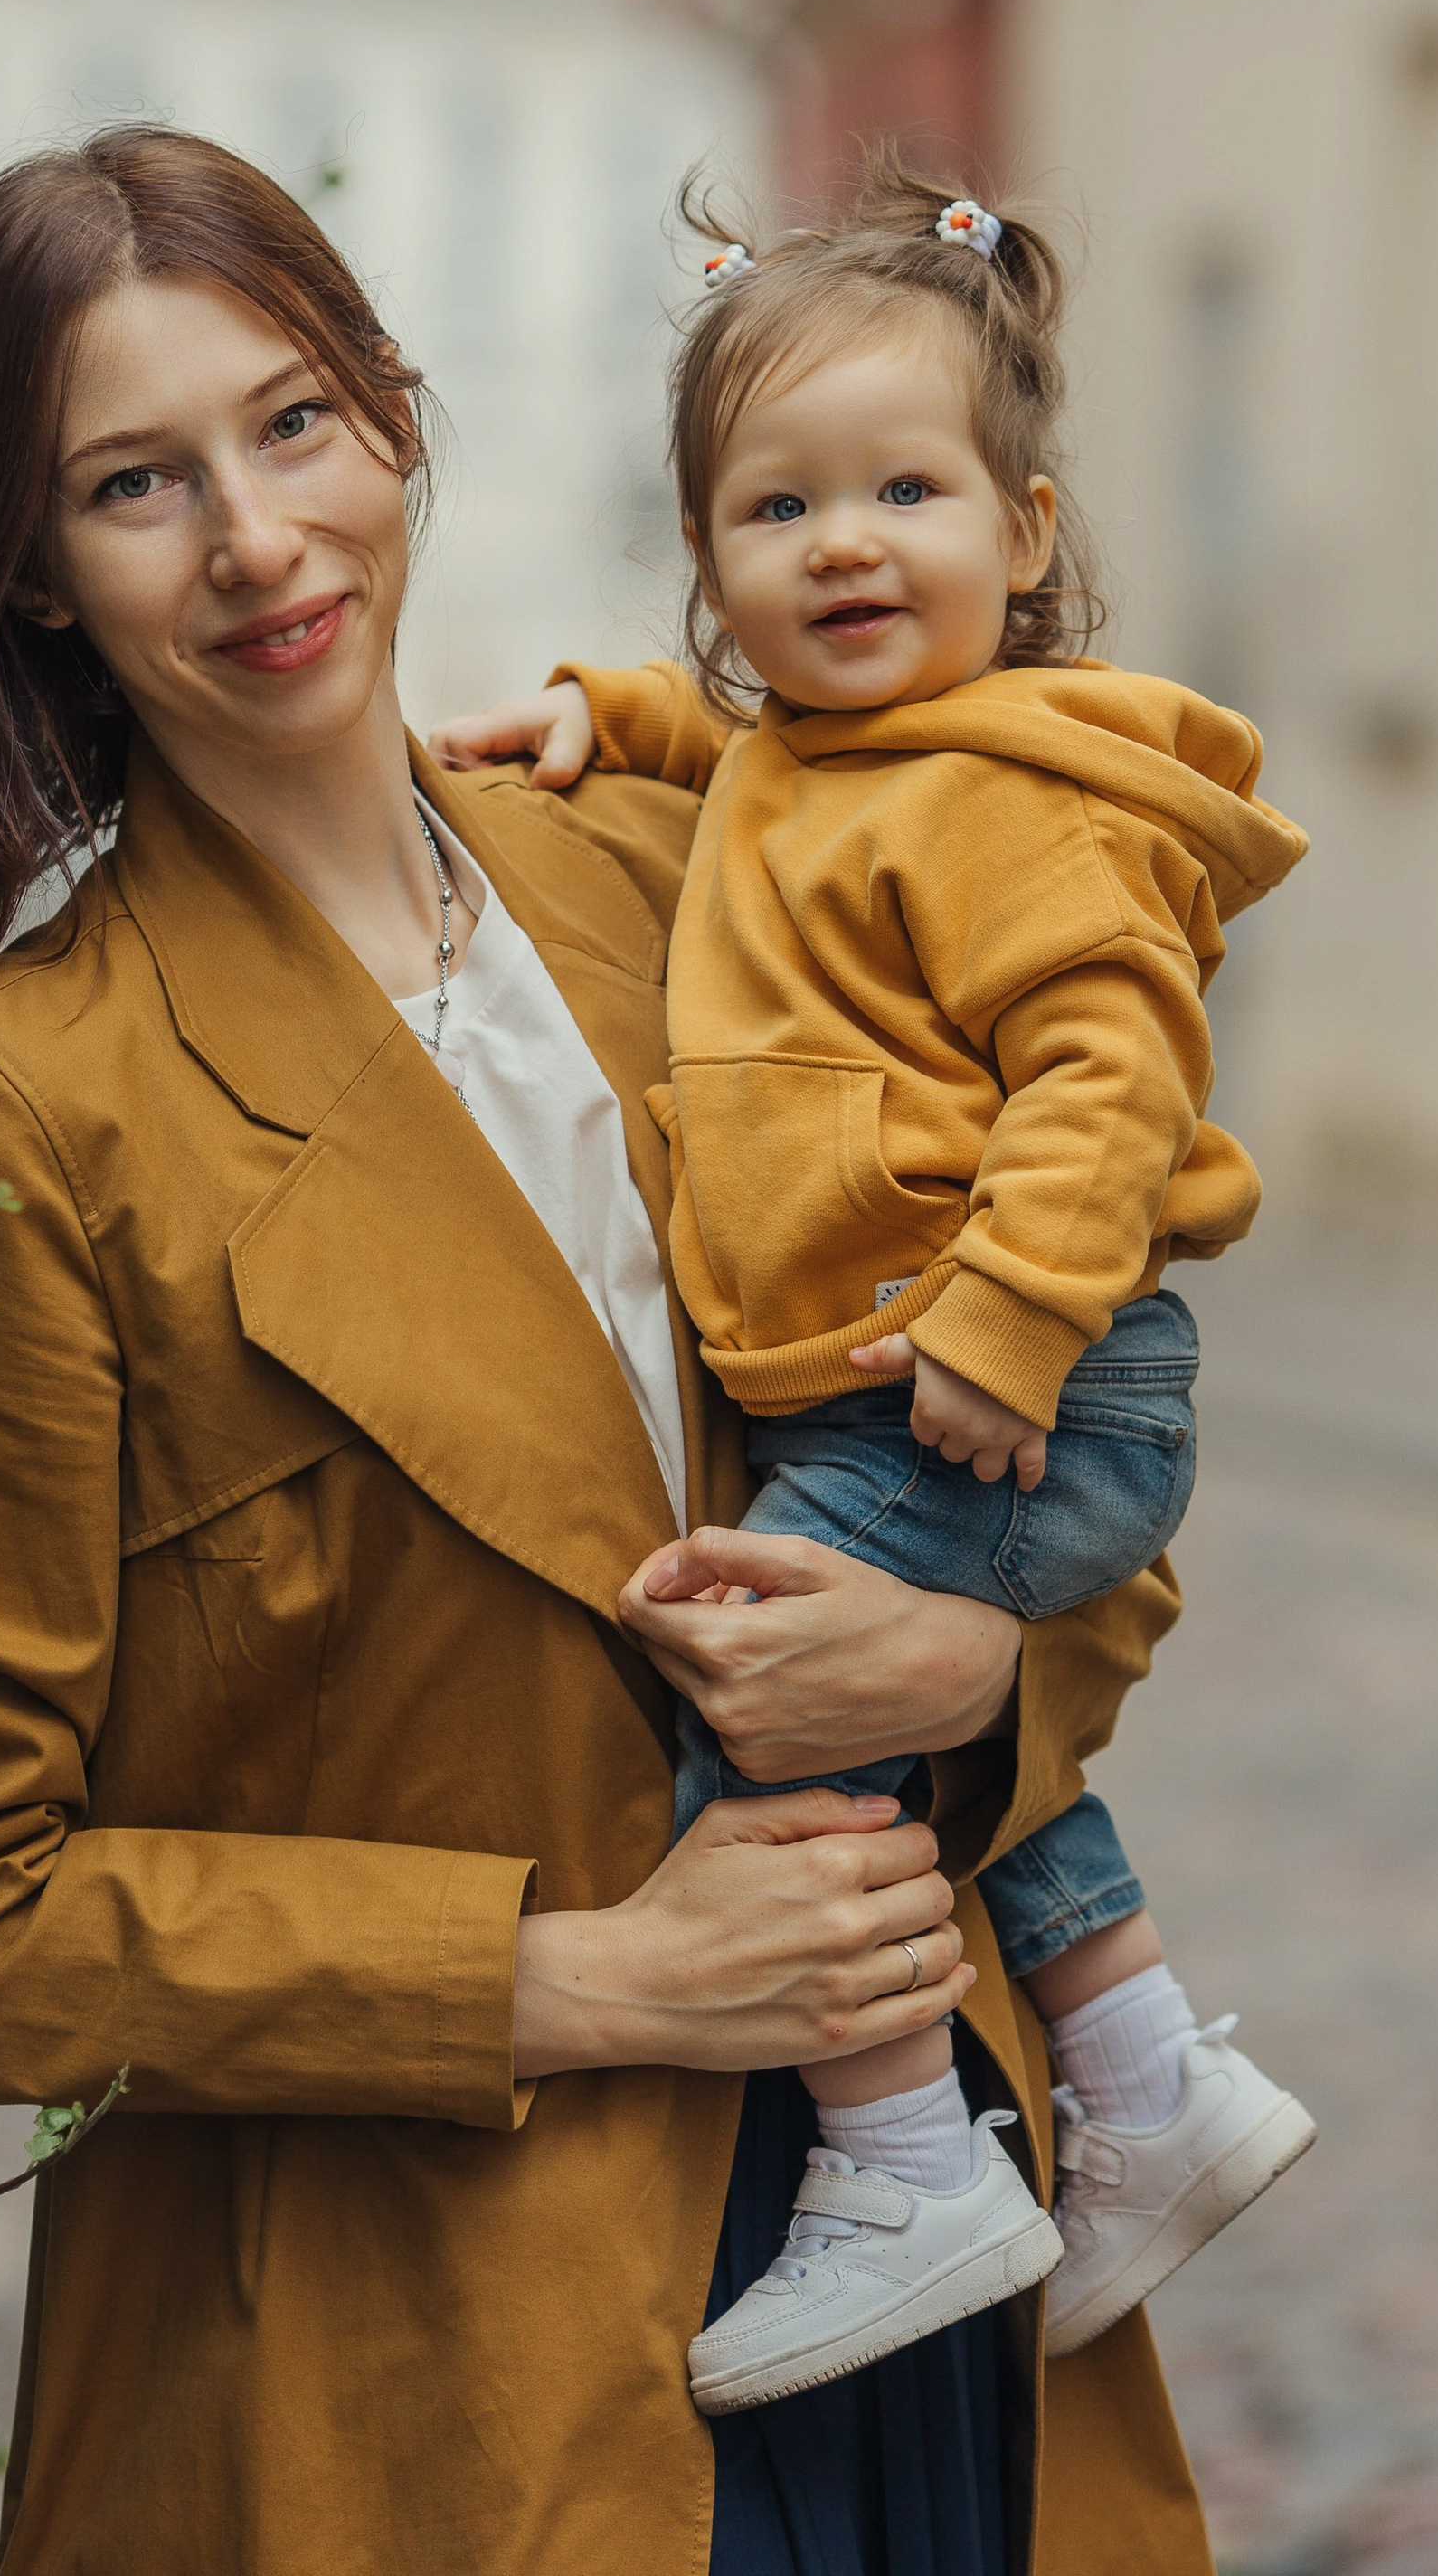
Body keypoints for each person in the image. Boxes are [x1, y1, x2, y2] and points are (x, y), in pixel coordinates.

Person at [0, 126, 1214, 2575]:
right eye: (139, 482)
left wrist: (970, 1657)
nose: (256, 542)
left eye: (295, 424)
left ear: (396, 420)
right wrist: (586, 1979)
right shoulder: (31, 1106)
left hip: (915, 2213)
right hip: (416, 2376)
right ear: (32, 565)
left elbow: (1055, 1421)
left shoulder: (697, 876)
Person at [433, 160, 1317, 2411]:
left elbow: (1112, 1068)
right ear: (714, 568)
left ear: (1018, 535)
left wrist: (1006, 1322)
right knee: (914, 1713)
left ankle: (906, 2154)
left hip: (1026, 1378)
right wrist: (598, 719)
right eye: (774, 506)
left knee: (757, 1676)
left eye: (900, 490)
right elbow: (729, 767)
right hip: (947, 1385)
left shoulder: (998, 797)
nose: (840, 542)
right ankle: (1135, 2071)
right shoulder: (814, 759)